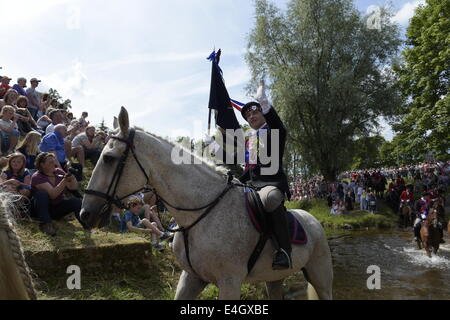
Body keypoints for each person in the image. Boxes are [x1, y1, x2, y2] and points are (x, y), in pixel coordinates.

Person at [237, 80, 292, 270]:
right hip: (251, 186)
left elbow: (280, 126)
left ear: (263, 114)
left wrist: (264, 102)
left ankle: (284, 252)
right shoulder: (249, 140)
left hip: (271, 184)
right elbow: (249, 171)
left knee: (268, 199)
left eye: (255, 111)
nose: (251, 115)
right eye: (248, 115)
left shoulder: (273, 131)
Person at [30, 152, 86, 236]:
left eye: (54, 161)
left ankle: (86, 225)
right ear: (42, 164)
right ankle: (46, 224)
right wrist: (64, 180)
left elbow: (73, 188)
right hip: (40, 210)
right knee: (41, 194)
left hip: (55, 208)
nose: (54, 164)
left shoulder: (58, 171)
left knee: (76, 201)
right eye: (50, 162)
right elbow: (53, 195)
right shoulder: (37, 177)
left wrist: (72, 178)